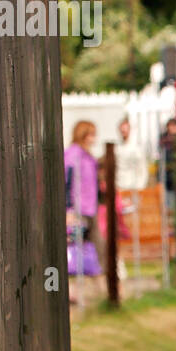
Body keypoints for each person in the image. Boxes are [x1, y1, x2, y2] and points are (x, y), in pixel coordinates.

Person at [64, 120, 102, 300]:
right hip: (77, 210)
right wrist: (68, 209)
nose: (94, 138)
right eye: (91, 134)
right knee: (74, 248)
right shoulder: (73, 155)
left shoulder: (88, 156)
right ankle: (72, 292)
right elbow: (66, 182)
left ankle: (100, 290)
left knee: (91, 247)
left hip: (89, 208)